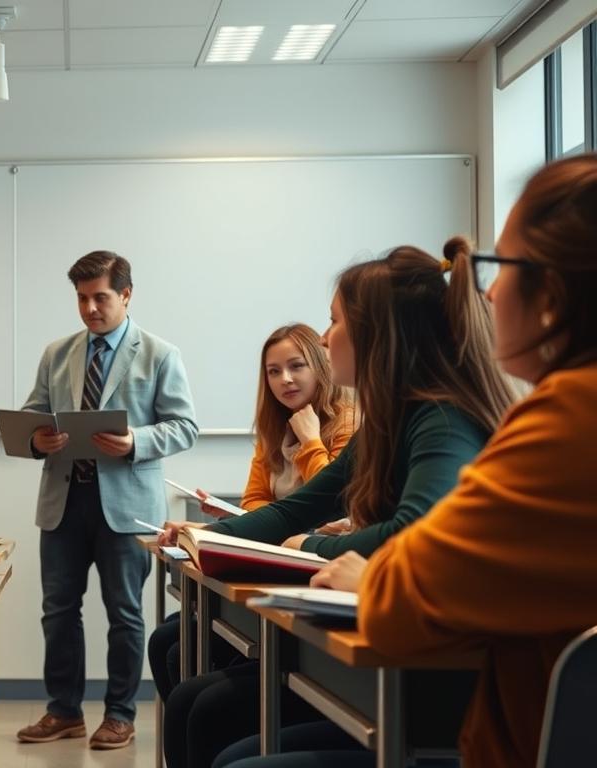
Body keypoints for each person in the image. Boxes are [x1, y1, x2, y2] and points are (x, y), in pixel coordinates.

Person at [219, 153, 597, 768]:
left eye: (503, 268)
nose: (491, 292)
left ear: (553, 294)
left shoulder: (558, 418)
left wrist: (341, 561)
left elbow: (400, 601)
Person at [159, 238, 516, 768]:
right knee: (199, 706)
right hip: (399, 658)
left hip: (443, 685)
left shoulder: (441, 418)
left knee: (216, 724)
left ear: (377, 335)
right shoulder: (390, 422)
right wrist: (203, 537)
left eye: (334, 322)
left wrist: (320, 544)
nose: (325, 339)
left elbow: (412, 531)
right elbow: (295, 509)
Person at [15, 250, 199, 751]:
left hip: (127, 504)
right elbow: (34, 414)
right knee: (58, 611)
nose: (90, 308)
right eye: (81, 298)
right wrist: (38, 439)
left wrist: (136, 441)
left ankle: (120, 715)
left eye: (100, 297)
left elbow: (185, 427)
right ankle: (64, 712)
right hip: (63, 501)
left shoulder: (160, 353)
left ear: (126, 295)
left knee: (125, 613)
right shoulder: (58, 353)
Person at [147, 324, 356, 700]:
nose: (285, 380)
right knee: (166, 640)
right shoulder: (274, 429)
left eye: (296, 366)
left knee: (185, 659)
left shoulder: (349, 423)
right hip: (279, 557)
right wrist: (209, 528)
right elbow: (255, 503)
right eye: (273, 371)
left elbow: (336, 505)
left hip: (316, 569)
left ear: (320, 367)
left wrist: (310, 440)